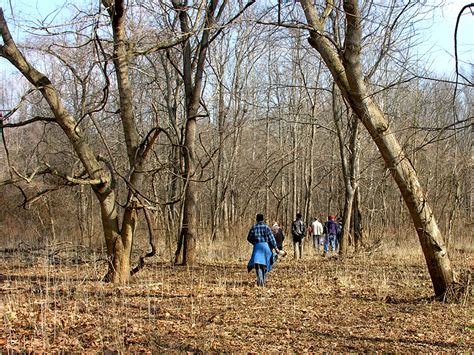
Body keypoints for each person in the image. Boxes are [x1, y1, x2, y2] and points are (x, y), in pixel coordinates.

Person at [247, 213, 281, 286]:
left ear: (256, 219)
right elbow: (271, 239)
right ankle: (263, 281)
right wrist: (276, 248)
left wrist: (255, 242)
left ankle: (260, 282)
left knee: (257, 264)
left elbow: (249, 238)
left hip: (257, 247)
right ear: (263, 219)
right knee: (266, 264)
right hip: (266, 247)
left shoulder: (253, 227)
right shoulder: (266, 227)